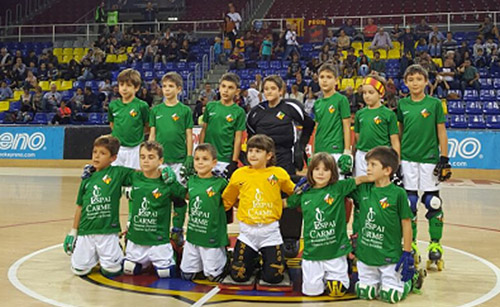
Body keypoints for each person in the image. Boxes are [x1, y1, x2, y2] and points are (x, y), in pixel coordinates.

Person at [246, 75, 315, 258]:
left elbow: (309, 125)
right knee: (264, 196)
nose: (269, 92)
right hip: (263, 162)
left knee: (288, 195)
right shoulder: (255, 113)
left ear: (280, 90)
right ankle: (262, 237)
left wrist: (301, 147)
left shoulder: (291, 107)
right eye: (266, 89)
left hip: (286, 158)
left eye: (273, 88)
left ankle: (290, 238)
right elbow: (250, 136)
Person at [286, 153, 370, 297]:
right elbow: (286, 203)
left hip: (335, 251)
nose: (320, 173)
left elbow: (360, 179)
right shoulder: (304, 193)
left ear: (332, 173)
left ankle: (342, 271)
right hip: (312, 253)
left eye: (325, 170)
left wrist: (381, 176)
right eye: (317, 169)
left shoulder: (338, 187)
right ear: (310, 172)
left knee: (336, 290)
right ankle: (318, 277)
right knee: (312, 292)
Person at [351, 146, 423, 303]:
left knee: (390, 296)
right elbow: (341, 188)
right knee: (365, 292)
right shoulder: (363, 189)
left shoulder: (398, 194)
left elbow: (406, 224)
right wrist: (361, 178)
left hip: (389, 255)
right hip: (366, 255)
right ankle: (375, 280)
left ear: (387, 170)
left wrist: (407, 252)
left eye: (373, 165)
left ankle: (411, 280)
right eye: (367, 164)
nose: (367, 168)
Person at [397, 64, 451, 271]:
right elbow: (399, 133)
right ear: (406, 82)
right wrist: (398, 159)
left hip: (429, 159)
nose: (415, 83)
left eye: (419, 79)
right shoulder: (402, 104)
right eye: (411, 80)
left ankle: (435, 244)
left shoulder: (435, 104)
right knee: (409, 204)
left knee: (433, 202)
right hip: (408, 159)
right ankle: (410, 244)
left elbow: (442, 132)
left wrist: (444, 158)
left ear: (426, 81)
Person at [222, 134, 296, 284]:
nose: (253, 154)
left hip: (270, 232)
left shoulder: (278, 173)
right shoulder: (239, 174)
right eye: (250, 151)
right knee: (238, 275)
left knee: (274, 277)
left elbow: (295, 194)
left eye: (258, 151)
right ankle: (252, 258)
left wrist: (284, 203)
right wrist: (239, 205)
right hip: (247, 233)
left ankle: (269, 260)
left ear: (269, 155)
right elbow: (226, 200)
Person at [63, 135, 135, 276]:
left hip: (107, 230)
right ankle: (93, 254)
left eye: (103, 154)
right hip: (86, 230)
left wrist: (161, 171)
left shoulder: (118, 173)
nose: (97, 156)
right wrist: (73, 231)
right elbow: (80, 206)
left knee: (112, 270)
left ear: (113, 158)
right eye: (95, 152)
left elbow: (141, 176)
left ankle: (115, 248)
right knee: (79, 270)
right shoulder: (87, 179)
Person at [123, 141, 186, 279]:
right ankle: (142, 260)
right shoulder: (134, 177)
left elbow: (183, 199)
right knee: (129, 269)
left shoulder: (167, 182)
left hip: (158, 240)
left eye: (151, 157)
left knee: (166, 274)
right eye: (142, 157)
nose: (145, 161)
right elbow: (112, 175)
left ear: (161, 160)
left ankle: (173, 251)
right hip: (137, 239)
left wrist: (177, 228)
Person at [149, 72, 194, 243]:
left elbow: (189, 135)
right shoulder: (156, 110)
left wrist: (189, 157)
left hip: (179, 160)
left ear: (179, 89)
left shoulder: (184, 111)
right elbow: (152, 135)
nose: (167, 89)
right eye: (165, 86)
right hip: (161, 161)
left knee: (179, 196)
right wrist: (150, 155)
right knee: (161, 195)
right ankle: (160, 228)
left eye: (171, 86)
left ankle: (177, 229)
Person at [179, 144, 229, 282]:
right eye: (197, 159)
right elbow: (187, 196)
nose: (200, 162)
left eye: (205, 159)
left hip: (212, 237)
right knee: (186, 275)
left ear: (214, 162)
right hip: (193, 235)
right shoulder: (191, 181)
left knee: (213, 276)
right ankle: (198, 263)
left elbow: (232, 202)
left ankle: (225, 260)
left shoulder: (221, 183)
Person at [199, 73, 246, 177]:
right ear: (219, 88)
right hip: (207, 157)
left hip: (225, 159)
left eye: (230, 88)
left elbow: (238, 139)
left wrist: (234, 162)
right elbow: (204, 130)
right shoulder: (210, 106)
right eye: (223, 86)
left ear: (237, 91)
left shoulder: (239, 112)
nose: (225, 90)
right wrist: (199, 152)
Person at [353, 76, 400, 177]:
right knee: (362, 187)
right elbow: (357, 138)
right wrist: (352, 155)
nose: (367, 96)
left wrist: (397, 162)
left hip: (381, 155)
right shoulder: (359, 114)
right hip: (362, 155)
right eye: (364, 93)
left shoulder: (389, 114)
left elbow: (394, 140)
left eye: (371, 92)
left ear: (380, 94)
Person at [313, 64, 353, 177]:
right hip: (320, 149)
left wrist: (347, 150)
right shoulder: (317, 103)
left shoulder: (341, 100)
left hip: (336, 150)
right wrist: (313, 151)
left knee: (336, 185)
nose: (324, 80)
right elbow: (317, 128)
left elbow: (346, 126)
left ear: (336, 81)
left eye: (329, 77)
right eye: (322, 77)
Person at [108, 69, 149, 169]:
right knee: (116, 178)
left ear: (137, 87)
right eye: (121, 85)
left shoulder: (142, 106)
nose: (124, 89)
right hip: (117, 148)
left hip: (135, 148)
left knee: (133, 178)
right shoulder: (113, 105)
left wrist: (135, 134)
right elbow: (112, 124)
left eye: (128, 85)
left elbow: (147, 126)